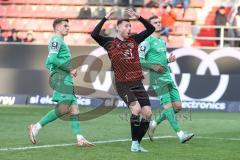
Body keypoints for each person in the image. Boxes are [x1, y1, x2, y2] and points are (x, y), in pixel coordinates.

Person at [91, 9, 155, 152]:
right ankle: (134, 144)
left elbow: (151, 28)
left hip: (137, 82)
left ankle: (137, 143)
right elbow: (94, 34)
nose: (129, 28)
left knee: (148, 114)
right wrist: (105, 18)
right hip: (122, 83)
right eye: (126, 26)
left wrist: (139, 17)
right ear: (118, 28)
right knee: (136, 109)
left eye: (130, 26)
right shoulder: (109, 43)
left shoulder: (135, 40)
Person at [28, 18, 94, 147]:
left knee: (74, 108)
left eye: (68, 26)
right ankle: (36, 127)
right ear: (57, 27)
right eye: (65, 25)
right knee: (64, 108)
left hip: (65, 77)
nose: (68, 28)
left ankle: (79, 138)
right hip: (61, 78)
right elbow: (52, 59)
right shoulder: (56, 40)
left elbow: (49, 61)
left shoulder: (59, 41)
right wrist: (69, 69)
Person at [138, 15, 194, 143]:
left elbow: (161, 61)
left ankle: (153, 124)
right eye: (155, 22)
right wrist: (152, 66)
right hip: (157, 79)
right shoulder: (146, 41)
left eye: (159, 22)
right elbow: (139, 60)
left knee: (178, 106)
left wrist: (168, 60)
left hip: (167, 76)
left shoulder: (162, 41)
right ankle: (180, 134)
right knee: (168, 107)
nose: (158, 24)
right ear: (149, 25)